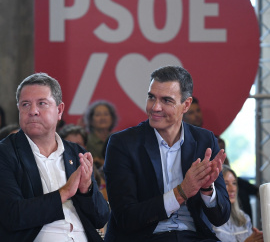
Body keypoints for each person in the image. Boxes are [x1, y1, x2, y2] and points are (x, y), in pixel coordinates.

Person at [104, 65, 230, 242]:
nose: (155, 107)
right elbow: (126, 218)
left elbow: (221, 217)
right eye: (151, 97)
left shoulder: (204, 141)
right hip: (144, 237)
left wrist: (207, 189)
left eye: (166, 100)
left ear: (186, 105)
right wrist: (182, 192)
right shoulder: (123, 144)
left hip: (195, 237)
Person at [0, 73, 110, 242]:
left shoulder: (75, 152)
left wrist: (86, 190)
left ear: (59, 110)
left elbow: (101, 218)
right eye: (25, 104)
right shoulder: (6, 153)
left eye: (42, 103)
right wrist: (65, 192)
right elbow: (12, 215)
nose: (33, 111)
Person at [212, 165, 263, 242]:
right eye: (226, 183)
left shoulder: (244, 218)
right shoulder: (209, 220)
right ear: (215, 187)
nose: (232, 189)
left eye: (234, 183)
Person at [84, 100, 118, 168]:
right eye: (98, 115)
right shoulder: (86, 140)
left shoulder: (118, 139)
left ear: (112, 118)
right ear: (90, 120)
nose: (102, 118)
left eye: (106, 114)